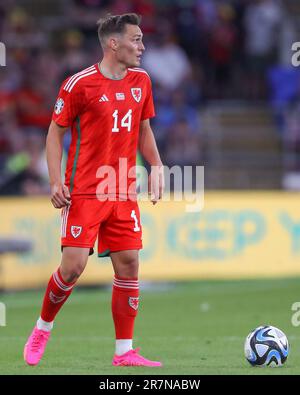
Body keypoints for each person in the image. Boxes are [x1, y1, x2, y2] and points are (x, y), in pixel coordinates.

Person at [23, 13, 164, 367]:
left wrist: (158, 166)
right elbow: (55, 132)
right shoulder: (78, 85)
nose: (142, 47)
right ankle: (43, 327)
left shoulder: (141, 81)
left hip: (122, 190)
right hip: (85, 191)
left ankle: (124, 352)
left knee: (129, 264)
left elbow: (144, 130)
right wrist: (56, 181)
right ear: (113, 44)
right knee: (72, 267)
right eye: (136, 40)